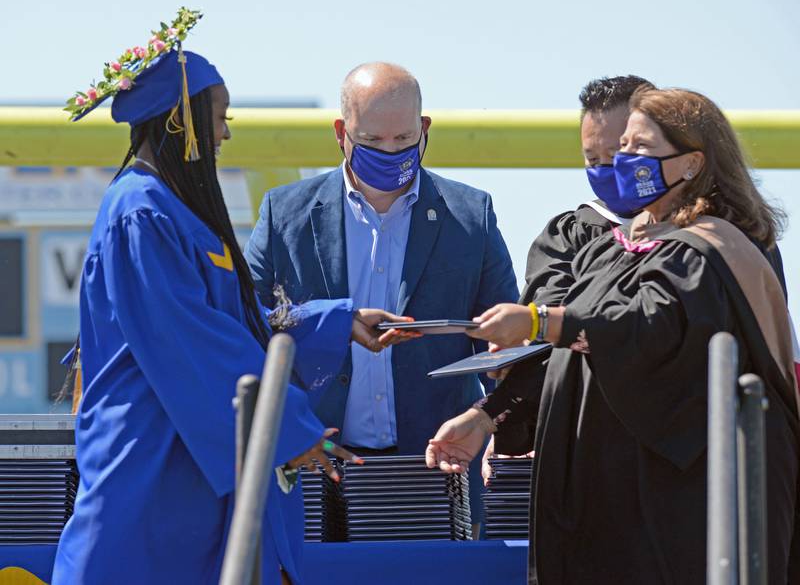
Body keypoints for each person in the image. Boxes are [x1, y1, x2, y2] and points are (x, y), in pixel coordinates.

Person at [53, 11, 411, 585]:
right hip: (154, 458)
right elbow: (190, 342)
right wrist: (285, 428)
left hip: (193, 454)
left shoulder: (173, 210)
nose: (224, 133)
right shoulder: (140, 213)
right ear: (182, 124)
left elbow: (231, 322)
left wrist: (335, 322)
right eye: (219, 118)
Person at [426, 87, 800, 584]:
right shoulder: (609, 247)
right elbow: (564, 358)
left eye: (637, 149)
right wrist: (485, 417)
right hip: (598, 490)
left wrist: (542, 322)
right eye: (611, 150)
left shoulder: (715, 251)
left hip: (676, 499)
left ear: (691, 163)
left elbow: (648, 326)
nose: (620, 162)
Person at [245, 61, 519, 529]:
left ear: (424, 129)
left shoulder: (471, 215)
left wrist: (496, 424)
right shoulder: (283, 213)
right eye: (372, 142)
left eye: (403, 140)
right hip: (315, 461)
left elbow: (503, 346)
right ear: (341, 132)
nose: (390, 153)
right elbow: (247, 319)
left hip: (434, 467)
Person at [484, 75, 654, 469]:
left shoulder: (715, 238)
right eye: (592, 160)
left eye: (619, 155)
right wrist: (494, 415)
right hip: (589, 448)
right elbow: (543, 341)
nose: (605, 170)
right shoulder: (571, 236)